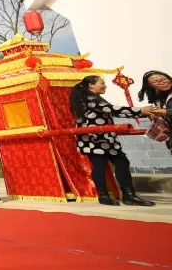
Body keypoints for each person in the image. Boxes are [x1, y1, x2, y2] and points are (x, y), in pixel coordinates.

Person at [69, 75, 162, 206]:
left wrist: (143, 113)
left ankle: (129, 195)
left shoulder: (95, 98)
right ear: (91, 85)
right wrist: (141, 110)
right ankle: (104, 196)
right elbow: (112, 109)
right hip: (94, 139)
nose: (105, 86)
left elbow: (115, 112)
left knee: (122, 162)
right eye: (102, 83)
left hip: (107, 139)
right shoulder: (89, 99)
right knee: (100, 165)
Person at [138, 70, 172, 154]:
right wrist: (155, 117)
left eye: (164, 79)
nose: (162, 82)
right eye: (156, 82)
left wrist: (164, 112)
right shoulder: (159, 99)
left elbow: (166, 112)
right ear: (150, 86)